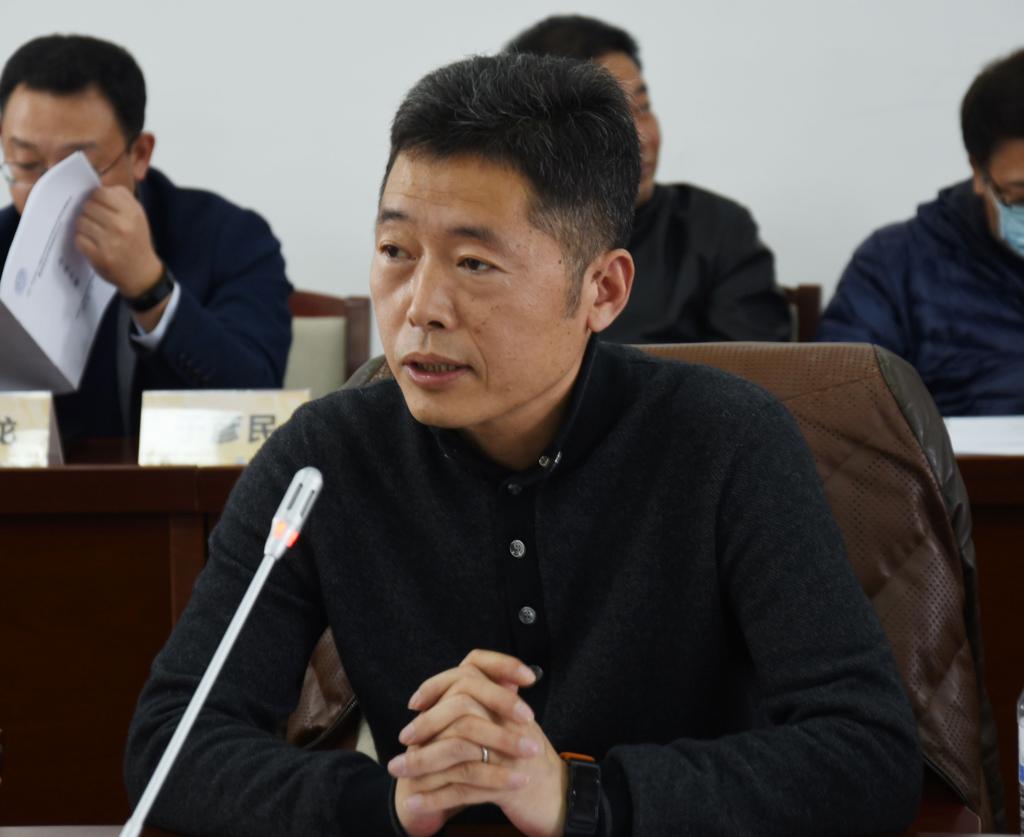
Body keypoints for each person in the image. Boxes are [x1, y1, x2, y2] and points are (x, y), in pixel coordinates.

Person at [124, 53, 920, 836]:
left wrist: (581, 795)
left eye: (475, 262)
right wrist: (389, 803)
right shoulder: (325, 458)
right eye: (396, 251)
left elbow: (868, 753)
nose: (421, 307)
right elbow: (171, 743)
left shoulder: (727, 441)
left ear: (602, 289)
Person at [0, 35, 292, 439]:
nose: (47, 195)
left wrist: (152, 291)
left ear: (139, 154)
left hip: (180, 479)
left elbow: (256, 400)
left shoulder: (231, 239)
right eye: (27, 164)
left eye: (75, 170)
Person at [506, 15, 791, 344]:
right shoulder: (504, 237)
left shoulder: (716, 229)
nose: (640, 139)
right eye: (610, 120)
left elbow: (757, 366)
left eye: (643, 107)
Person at [819, 48, 1024, 416]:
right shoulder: (892, 265)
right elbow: (839, 411)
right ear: (979, 172)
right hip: (953, 455)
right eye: (1021, 193)